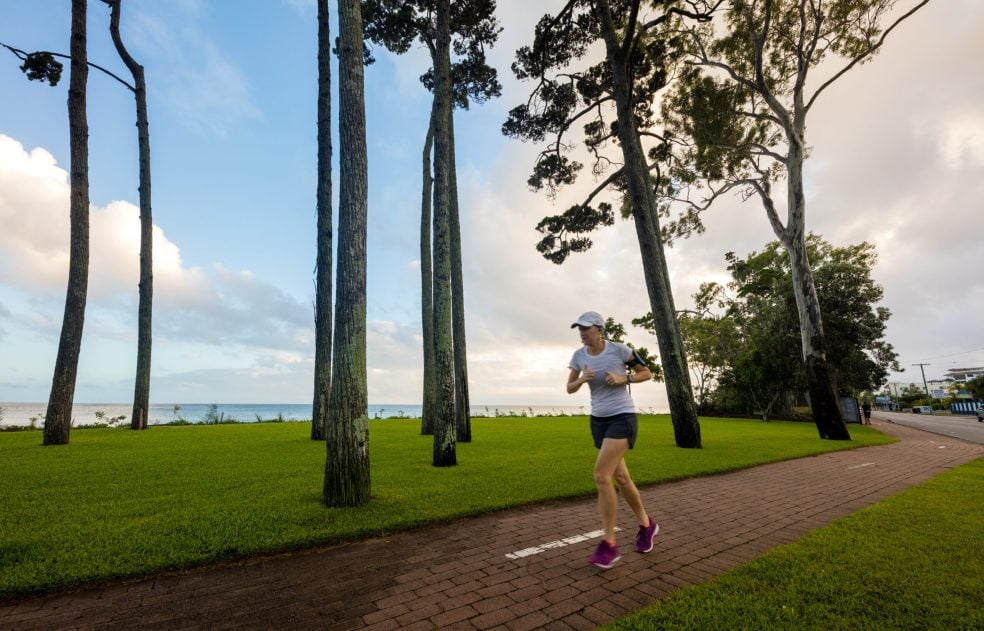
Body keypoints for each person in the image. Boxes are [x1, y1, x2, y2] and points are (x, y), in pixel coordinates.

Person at [567, 311, 659, 569]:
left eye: (586, 328)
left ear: (599, 329)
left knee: (601, 475)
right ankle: (647, 525)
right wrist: (582, 379)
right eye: (579, 329)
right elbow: (569, 387)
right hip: (598, 421)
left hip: (623, 417)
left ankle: (608, 544)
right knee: (621, 478)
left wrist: (624, 377)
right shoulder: (579, 356)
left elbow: (646, 373)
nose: (582, 333)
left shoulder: (620, 350)